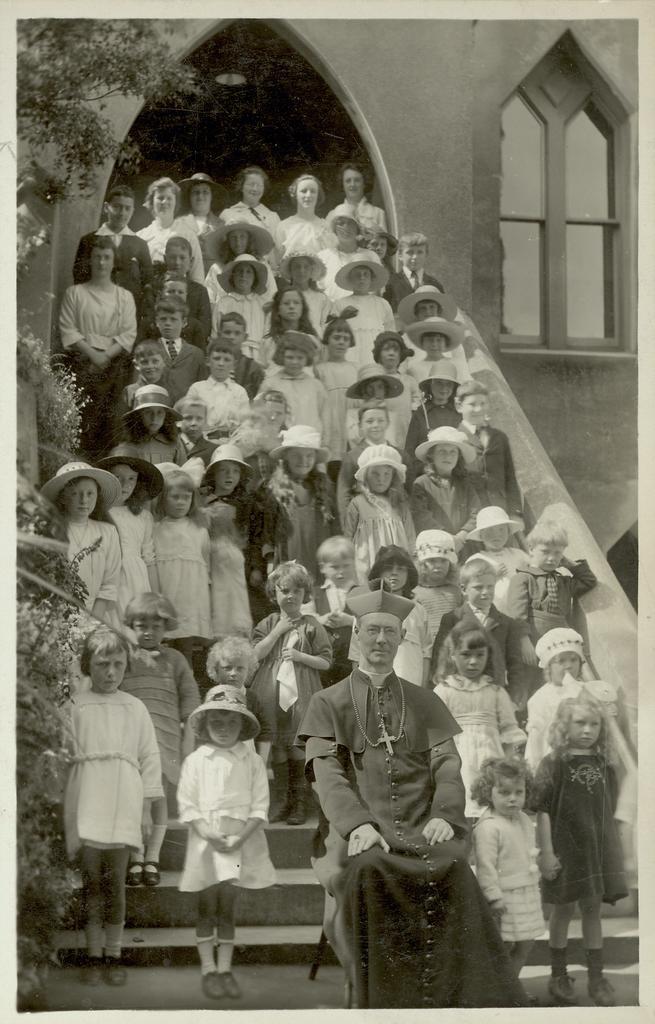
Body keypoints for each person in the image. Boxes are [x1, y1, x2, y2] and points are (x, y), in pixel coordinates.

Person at [298, 585, 528, 1009]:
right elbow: (325, 774)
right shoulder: (326, 702)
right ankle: (378, 1004)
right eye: (372, 632)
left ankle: (452, 1002)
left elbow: (447, 764)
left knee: (456, 863)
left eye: (390, 632)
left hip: (424, 824)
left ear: (402, 638)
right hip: (355, 830)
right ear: (357, 638)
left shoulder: (424, 700)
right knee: (366, 869)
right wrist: (358, 825)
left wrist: (445, 814)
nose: (381, 640)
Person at [64, 627, 163, 986]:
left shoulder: (134, 708)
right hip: (88, 796)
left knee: (116, 883)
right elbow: (63, 754)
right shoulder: (75, 705)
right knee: (92, 882)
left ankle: (114, 953)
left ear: (126, 667)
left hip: (123, 798)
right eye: (102, 664)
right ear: (88, 666)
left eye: (117, 664)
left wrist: (147, 809)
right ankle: (92, 955)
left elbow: (150, 758)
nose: (110, 672)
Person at [177, 684, 276, 999]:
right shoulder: (196, 760)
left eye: (231, 722)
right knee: (206, 905)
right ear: (205, 726)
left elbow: (260, 807)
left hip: (236, 841)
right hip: (206, 840)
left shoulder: (251, 761)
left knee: (227, 906)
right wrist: (207, 834)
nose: (223, 729)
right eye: (216, 722)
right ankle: (208, 970)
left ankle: (225, 969)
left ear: (243, 726)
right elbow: (188, 804)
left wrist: (238, 840)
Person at [531, 695, 628, 1006]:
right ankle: (558, 975)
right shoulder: (553, 763)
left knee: (592, 910)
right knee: (562, 911)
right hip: (564, 850)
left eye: (594, 724)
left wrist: (614, 852)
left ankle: (597, 978)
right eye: (580, 723)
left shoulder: (605, 765)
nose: (588, 730)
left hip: (596, 851)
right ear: (564, 725)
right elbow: (542, 810)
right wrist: (546, 852)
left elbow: (608, 811)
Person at [120, 592, 200, 888]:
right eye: (141, 625)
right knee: (132, 801)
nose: (148, 632)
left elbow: (190, 701)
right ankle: (136, 857)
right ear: (131, 625)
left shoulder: (176, 660)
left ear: (166, 629)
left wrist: (187, 743)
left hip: (165, 740)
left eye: (156, 626)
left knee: (157, 799)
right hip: (131, 741)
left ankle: (152, 857)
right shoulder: (125, 656)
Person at [250, 561, 332, 825]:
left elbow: (326, 661)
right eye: (284, 590)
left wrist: (300, 656)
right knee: (276, 747)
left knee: (297, 746)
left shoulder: (312, 625)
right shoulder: (268, 623)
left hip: (302, 693)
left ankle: (299, 802)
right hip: (270, 694)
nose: (290, 596)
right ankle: (281, 801)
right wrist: (277, 632)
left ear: (305, 594)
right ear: (274, 593)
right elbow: (254, 655)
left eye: (297, 591)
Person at [434, 622, 526, 817]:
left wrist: (509, 768)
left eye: (479, 655)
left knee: (490, 812)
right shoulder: (444, 691)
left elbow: (509, 732)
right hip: (457, 761)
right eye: (466, 655)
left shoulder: (496, 692)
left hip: (491, 760)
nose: (473, 662)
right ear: (452, 655)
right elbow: (435, 736)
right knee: (460, 808)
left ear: (488, 656)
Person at [471, 758, 544, 999]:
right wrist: (493, 898)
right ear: (487, 793)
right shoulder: (488, 827)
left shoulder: (523, 819)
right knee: (504, 946)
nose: (513, 798)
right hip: (504, 898)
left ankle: (510, 987)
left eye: (518, 792)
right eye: (504, 793)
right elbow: (486, 867)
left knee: (526, 942)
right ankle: (501, 992)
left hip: (526, 891)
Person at [59, 235, 137, 458]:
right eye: (97, 257)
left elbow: (128, 333)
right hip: (81, 364)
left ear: (114, 262)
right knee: (81, 419)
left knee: (109, 422)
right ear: (90, 260)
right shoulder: (75, 293)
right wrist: (93, 355)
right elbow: (69, 329)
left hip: (113, 367)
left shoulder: (124, 297)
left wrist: (106, 356)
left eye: (106, 257)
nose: (102, 263)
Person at [431, 555, 531, 713]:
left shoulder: (507, 623)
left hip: (493, 696)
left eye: (490, 587)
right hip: (460, 695)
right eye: (478, 587)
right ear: (464, 589)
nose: (486, 592)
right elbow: (440, 659)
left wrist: (513, 700)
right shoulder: (452, 619)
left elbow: (515, 666)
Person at [41, 461, 122, 624]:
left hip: (98, 616)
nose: (84, 500)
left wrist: (93, 622)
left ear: (97, 496)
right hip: (59, 616)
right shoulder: (52, 532)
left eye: (90, 493)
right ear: (63, 498)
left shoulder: (108, 532)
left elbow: (109, 584)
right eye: (75, 494)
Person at [348, 547, 431, 688]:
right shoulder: (364, 608)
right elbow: (356, 654)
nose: (394, 573)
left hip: (410, 679)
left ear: (409, 574)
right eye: (388, 568)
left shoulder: (418, 610)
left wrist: (422, 688)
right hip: (374, 683)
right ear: (378, 572)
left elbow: (426, 652)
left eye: (401, 569)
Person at [96, 445, 163, 618]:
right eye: (118, 477)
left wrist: (155, 598)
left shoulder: (143, 516)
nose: (125, 485)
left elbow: (149, 559)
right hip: (108, 578)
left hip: (136, 579)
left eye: (131, 479)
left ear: (138, 483)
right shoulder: (100, 513)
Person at [152, 466, 212, 660]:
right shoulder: (155, 529)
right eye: (175, 497)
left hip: (190, 600)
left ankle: (187, 681)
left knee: (185, 646)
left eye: (186, 497)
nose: (181, 502)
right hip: (167, 594)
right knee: (164, 644)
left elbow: (206, 567)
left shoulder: (199, 530)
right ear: (163, 499)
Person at [506, 517, 597, 641]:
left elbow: (588, 581)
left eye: (557, 553)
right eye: (545, 551)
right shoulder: (522, 578)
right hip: (534, 640)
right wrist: (524, 641)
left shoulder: (563, 582)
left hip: (561, 640)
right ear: (531, 549)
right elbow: (517, 616)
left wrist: (570, 564)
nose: (551, 558)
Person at [264, 425, 338, 578]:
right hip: (290, 556)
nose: (303, 460)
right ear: (286, 457)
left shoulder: (324, 486)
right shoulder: (276, 489)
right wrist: (270, 561)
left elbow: (335, 525)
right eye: (297, 455)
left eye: (309, 455)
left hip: (320, 555)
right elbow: (268, 528)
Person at [73, 184, 153, 319]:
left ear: (133, 211)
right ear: (106, 208)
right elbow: (80, 278)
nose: (122, 213)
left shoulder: (140, 244)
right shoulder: (89, 241)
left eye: (127, 208)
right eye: (117, 207)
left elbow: (148, 280)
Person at [201, 445, 254, 641]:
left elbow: (251, 535)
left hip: (236, 561)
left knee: (236, 603)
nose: (229, 475)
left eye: (235, 471)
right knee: (216, 603)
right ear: (213, 474)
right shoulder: (204, 502)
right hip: (212, 560)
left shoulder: (245, 503)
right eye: (223, 470)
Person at [343, 445, 415, 581]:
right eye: (375, 473)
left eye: (386, 474)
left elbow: (410, 537)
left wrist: (412, 559)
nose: (381, 479)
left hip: (395, 562)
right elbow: (348, 535)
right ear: (366, 476)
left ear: (393, 476)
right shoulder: (358, 503)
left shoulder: (400, 504)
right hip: (367, 560)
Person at [455, 379, 523, 520]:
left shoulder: (499, 437)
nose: (478, 409)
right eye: (472, 404)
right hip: (470, 511)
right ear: (459, 406)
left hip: (500, 508)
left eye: (483, 403)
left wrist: (515, 513)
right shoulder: (454, 437)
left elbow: (510, 477)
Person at [524, 627, 586, 771]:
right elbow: (536, 738)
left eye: (573, 660)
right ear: (548, 667)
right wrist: (534, 767)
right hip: (553, 757)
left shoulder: (586, 691)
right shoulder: (541, 697)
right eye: (561, 661)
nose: (569, 665)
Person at [410, 425, 480, 547]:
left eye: (453, 452)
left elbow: (476, 512)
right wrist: (448, 539)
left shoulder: (464, 485)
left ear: (459, 457)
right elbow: (422, 517)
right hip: (435, 545)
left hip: (463, 544)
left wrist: (462, 535)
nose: (448, 456)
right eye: (442, 451)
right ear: (431, 455)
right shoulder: (421, 484)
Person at [303, 536, 358, 687]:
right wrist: (321, 620)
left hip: (352, 661)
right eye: (335, 567)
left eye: (346, 566)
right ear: (323, 568)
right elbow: (304, 619)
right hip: (322, 662)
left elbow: (370, 622)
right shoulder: (315, 593)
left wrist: (350, 621)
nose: (341, 572)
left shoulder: (360, 593)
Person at [136, 177, 205, 284]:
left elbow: (197, 277)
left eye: (169, 198)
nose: (165, 202)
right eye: (160, 198)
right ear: (151, 202)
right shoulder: (141, 236)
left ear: (176, 202)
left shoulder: (188, 234)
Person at [260, 332, 327, 438]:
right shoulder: (270, 384)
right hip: (281, 440)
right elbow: (261, 416)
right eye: (290, 357)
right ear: (281, 357)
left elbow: (323, 415)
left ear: (307, 358)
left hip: (309, 439)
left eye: (300, 358)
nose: (295, 362)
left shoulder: (316, 386)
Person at [404, 362, 461, 486]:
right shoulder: (420, 413)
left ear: (454, 387)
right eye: (439, 383)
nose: (444, 388)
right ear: (431, 384)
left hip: (455, 478)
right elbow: (409, 452)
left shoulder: (459, 414)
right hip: (426, 478)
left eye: (448, 384)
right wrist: (426, 472)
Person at [315, 316, 359, 475]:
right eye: (336, 338)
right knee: (333, 465)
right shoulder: (320, 369)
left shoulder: (355, 368)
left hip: (350, 423)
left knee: (352, 466)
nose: (341, 342)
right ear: (327, 340)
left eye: (345, 339)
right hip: (330, 421)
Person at [466, 507, 530, 613]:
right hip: (491, 612)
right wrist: (491, 576)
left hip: (520, 609)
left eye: (501, 529)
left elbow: (534, 569)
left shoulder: (518, 555)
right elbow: (469, 588)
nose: (496, 535)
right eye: (490, 531)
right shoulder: (476, 560)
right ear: (481, 535)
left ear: (508, 532)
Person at [205, 217, 277, 309]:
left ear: (249, 239)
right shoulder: (217, 268)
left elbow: (272, 297)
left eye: (242, 237)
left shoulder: (261, 266)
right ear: (228, 241)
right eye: (233, 237)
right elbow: (209, 299)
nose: (238, 242)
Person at [183, 340, 250, 440]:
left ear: (234, 365)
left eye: (227, 360)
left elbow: (245, 424)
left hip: (231, 442)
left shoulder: (239, 392)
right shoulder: (197, 389)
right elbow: (189, 419)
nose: (221, 363)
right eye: (216, 358)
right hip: (202, 440)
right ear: (208, 361)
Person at [333, 260, 394, 368]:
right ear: (350, 279)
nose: (362, 278)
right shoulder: (340, 304)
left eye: (366, 274)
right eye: (357, 275)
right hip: (350, 353)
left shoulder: (382, 304)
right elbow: (332, 331)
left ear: (372, 279)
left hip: (375, 353)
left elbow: (390, 332)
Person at [318, 205, 382, 302]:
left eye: (351, 223)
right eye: (341, 223)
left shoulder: (371, 256)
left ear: (357, 228)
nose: (346, 227)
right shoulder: (323, 257)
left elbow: (377, 291)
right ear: (334, 228)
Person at [370, 330, 420, 450]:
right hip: (381, 431)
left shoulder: (409, 381)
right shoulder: (373, 381)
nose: (391, 353)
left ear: (401, 355)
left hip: (404, 429)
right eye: (386, 349)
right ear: (378, 354)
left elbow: (417, 407)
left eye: (395, 350)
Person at [220, 164, 281, 260]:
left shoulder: (273, 217)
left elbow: (278, 251)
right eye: (251, 184)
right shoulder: (227, 214)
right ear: (242, 186)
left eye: (259, 185)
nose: (255, 189)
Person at [151, 296, 207, 402]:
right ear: (157, 322)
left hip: (186, 411)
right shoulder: (149, 350)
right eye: (163, 319)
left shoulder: (196, 354)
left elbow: (203, 389)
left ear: (184, 322)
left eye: (173, 319)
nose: (168, 323)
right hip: (157, 409)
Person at [159, 235, 212, 343]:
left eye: (182, 258)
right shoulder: (154, 288)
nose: (177, 262)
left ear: (191, 261)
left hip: (190, 347)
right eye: (173, 257)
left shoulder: (199, 292)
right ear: (165, 259)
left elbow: (204, 329)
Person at [211, 253, 270, 349]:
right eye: (239, 271)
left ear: (255, 277)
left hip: (257, 354)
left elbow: (267, 336)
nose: (243, 275)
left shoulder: (262, 303)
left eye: (248, 272)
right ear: (233, 276)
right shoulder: (224, 303)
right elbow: (215, 334)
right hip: (230, 353)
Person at [175, 172, 228, 276]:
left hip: (213, 281)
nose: (200, 196)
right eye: (196, 192)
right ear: (189, 197)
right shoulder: (178, 223)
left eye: (205, 192)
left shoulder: (222, 226)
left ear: (212, 196)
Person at [412, 529, 462, 639]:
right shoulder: (415, 594)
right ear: (421, 564)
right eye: (432, 561)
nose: (438, 565)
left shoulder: (456, 592)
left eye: (444, 561)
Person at [122, 384, 187, 465]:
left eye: (159, 412)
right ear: (138, 415)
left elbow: (182, 473)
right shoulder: (127, 444)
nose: (154, 418)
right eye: (148, 412)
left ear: (166, 416)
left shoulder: (175, 443)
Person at [383, 231, 446, 312]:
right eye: (410, 252)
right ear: (400, 256)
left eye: (420, 252)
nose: (415, 257)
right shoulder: (390, 283)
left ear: (426, 255)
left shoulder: (434, 284)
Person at [276, 173, 336, 258]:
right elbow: (277, 260)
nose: (308, 195)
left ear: (318, 195)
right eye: (303, 191)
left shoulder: (326, 226)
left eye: (313, 191)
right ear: (295, 194)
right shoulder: (284, 226)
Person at [344, 362, 404, 447]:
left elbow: (398, 446)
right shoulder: (352, 415)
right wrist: (365, 409)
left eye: (380, 387)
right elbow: (355, 439)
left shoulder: (393, 416)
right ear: (363, 391)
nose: (376, 392)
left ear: (385, 390)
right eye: (370, 387)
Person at [262, 285, 319, 372]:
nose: (292, 306)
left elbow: (317, 370)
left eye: (296, 303)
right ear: (278, 310)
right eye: (286, 303)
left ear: (302, 308)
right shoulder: (269, 342)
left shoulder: (312, 340)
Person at [404, 315, 471, 388]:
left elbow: (467, 386)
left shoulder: (457, 364)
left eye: (439, 340)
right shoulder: (414, 368)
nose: (434, 344)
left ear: (446, 343)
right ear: (422, 343)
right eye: (430, 340)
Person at [278, 250, 332, 338]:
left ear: (311, 270)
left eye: (306, 267)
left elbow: (324, 326)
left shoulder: (321, 298)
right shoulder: (283, 297)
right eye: (297, 267)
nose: (301, 271)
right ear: (290, 271)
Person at [326, 161, 387, 233]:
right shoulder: (333, 215)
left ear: (364, 183)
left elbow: (385, 242)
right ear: (343, 185)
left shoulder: (378, 213)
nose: (352, 184)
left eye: (357, 180)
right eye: (348, 181)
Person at [218, 311, 265, 399]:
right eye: (227, 332)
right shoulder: (210, 364)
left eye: (237, 333)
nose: (232, 337)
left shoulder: (253, 368)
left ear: (245, 337)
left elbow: (259, 400)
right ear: (219, 334)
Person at [121, 338, 171, 414]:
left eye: (155, 361)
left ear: (164, 362)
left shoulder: (171, 389)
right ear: (136, 364)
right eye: (144, 362)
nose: (150, 366)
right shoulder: (130, 391)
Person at [175, 396, 219, 466]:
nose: (194, 423)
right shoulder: (170, 445)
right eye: (188, 418)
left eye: (199, 418)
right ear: (178, 421)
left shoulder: (214, 450)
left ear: (205, 421)